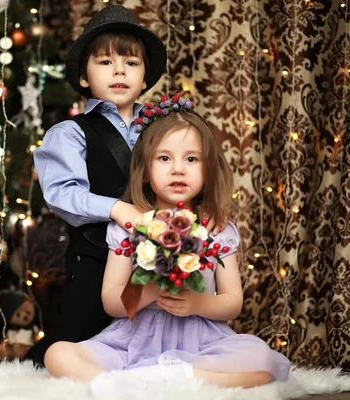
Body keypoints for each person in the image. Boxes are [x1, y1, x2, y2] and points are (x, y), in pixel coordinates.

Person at [43, 97, 293, 392]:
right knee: (56, 355)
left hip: (201, 341)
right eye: (164, 158)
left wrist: (199, 303)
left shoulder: (216, 229)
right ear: (146, 171)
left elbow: (232, 301)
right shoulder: (129, 228)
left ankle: (178, 377)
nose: (178, 169)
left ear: (208, 170)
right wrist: (150, 289)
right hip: (134, 340)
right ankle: (121, 383)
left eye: (191, 159)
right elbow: (112, 301)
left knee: (262, 361)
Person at [28, 5, 169, 365]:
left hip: (155, 260)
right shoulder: (70, 133)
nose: (119, 70)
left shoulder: (163, 129)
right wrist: (117, 208)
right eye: (106, 62)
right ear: (85, 76)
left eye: (131, 63)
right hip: (94, 263)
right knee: (81, 352)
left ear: (145, 75)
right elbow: (62, 194)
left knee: (157, 353)